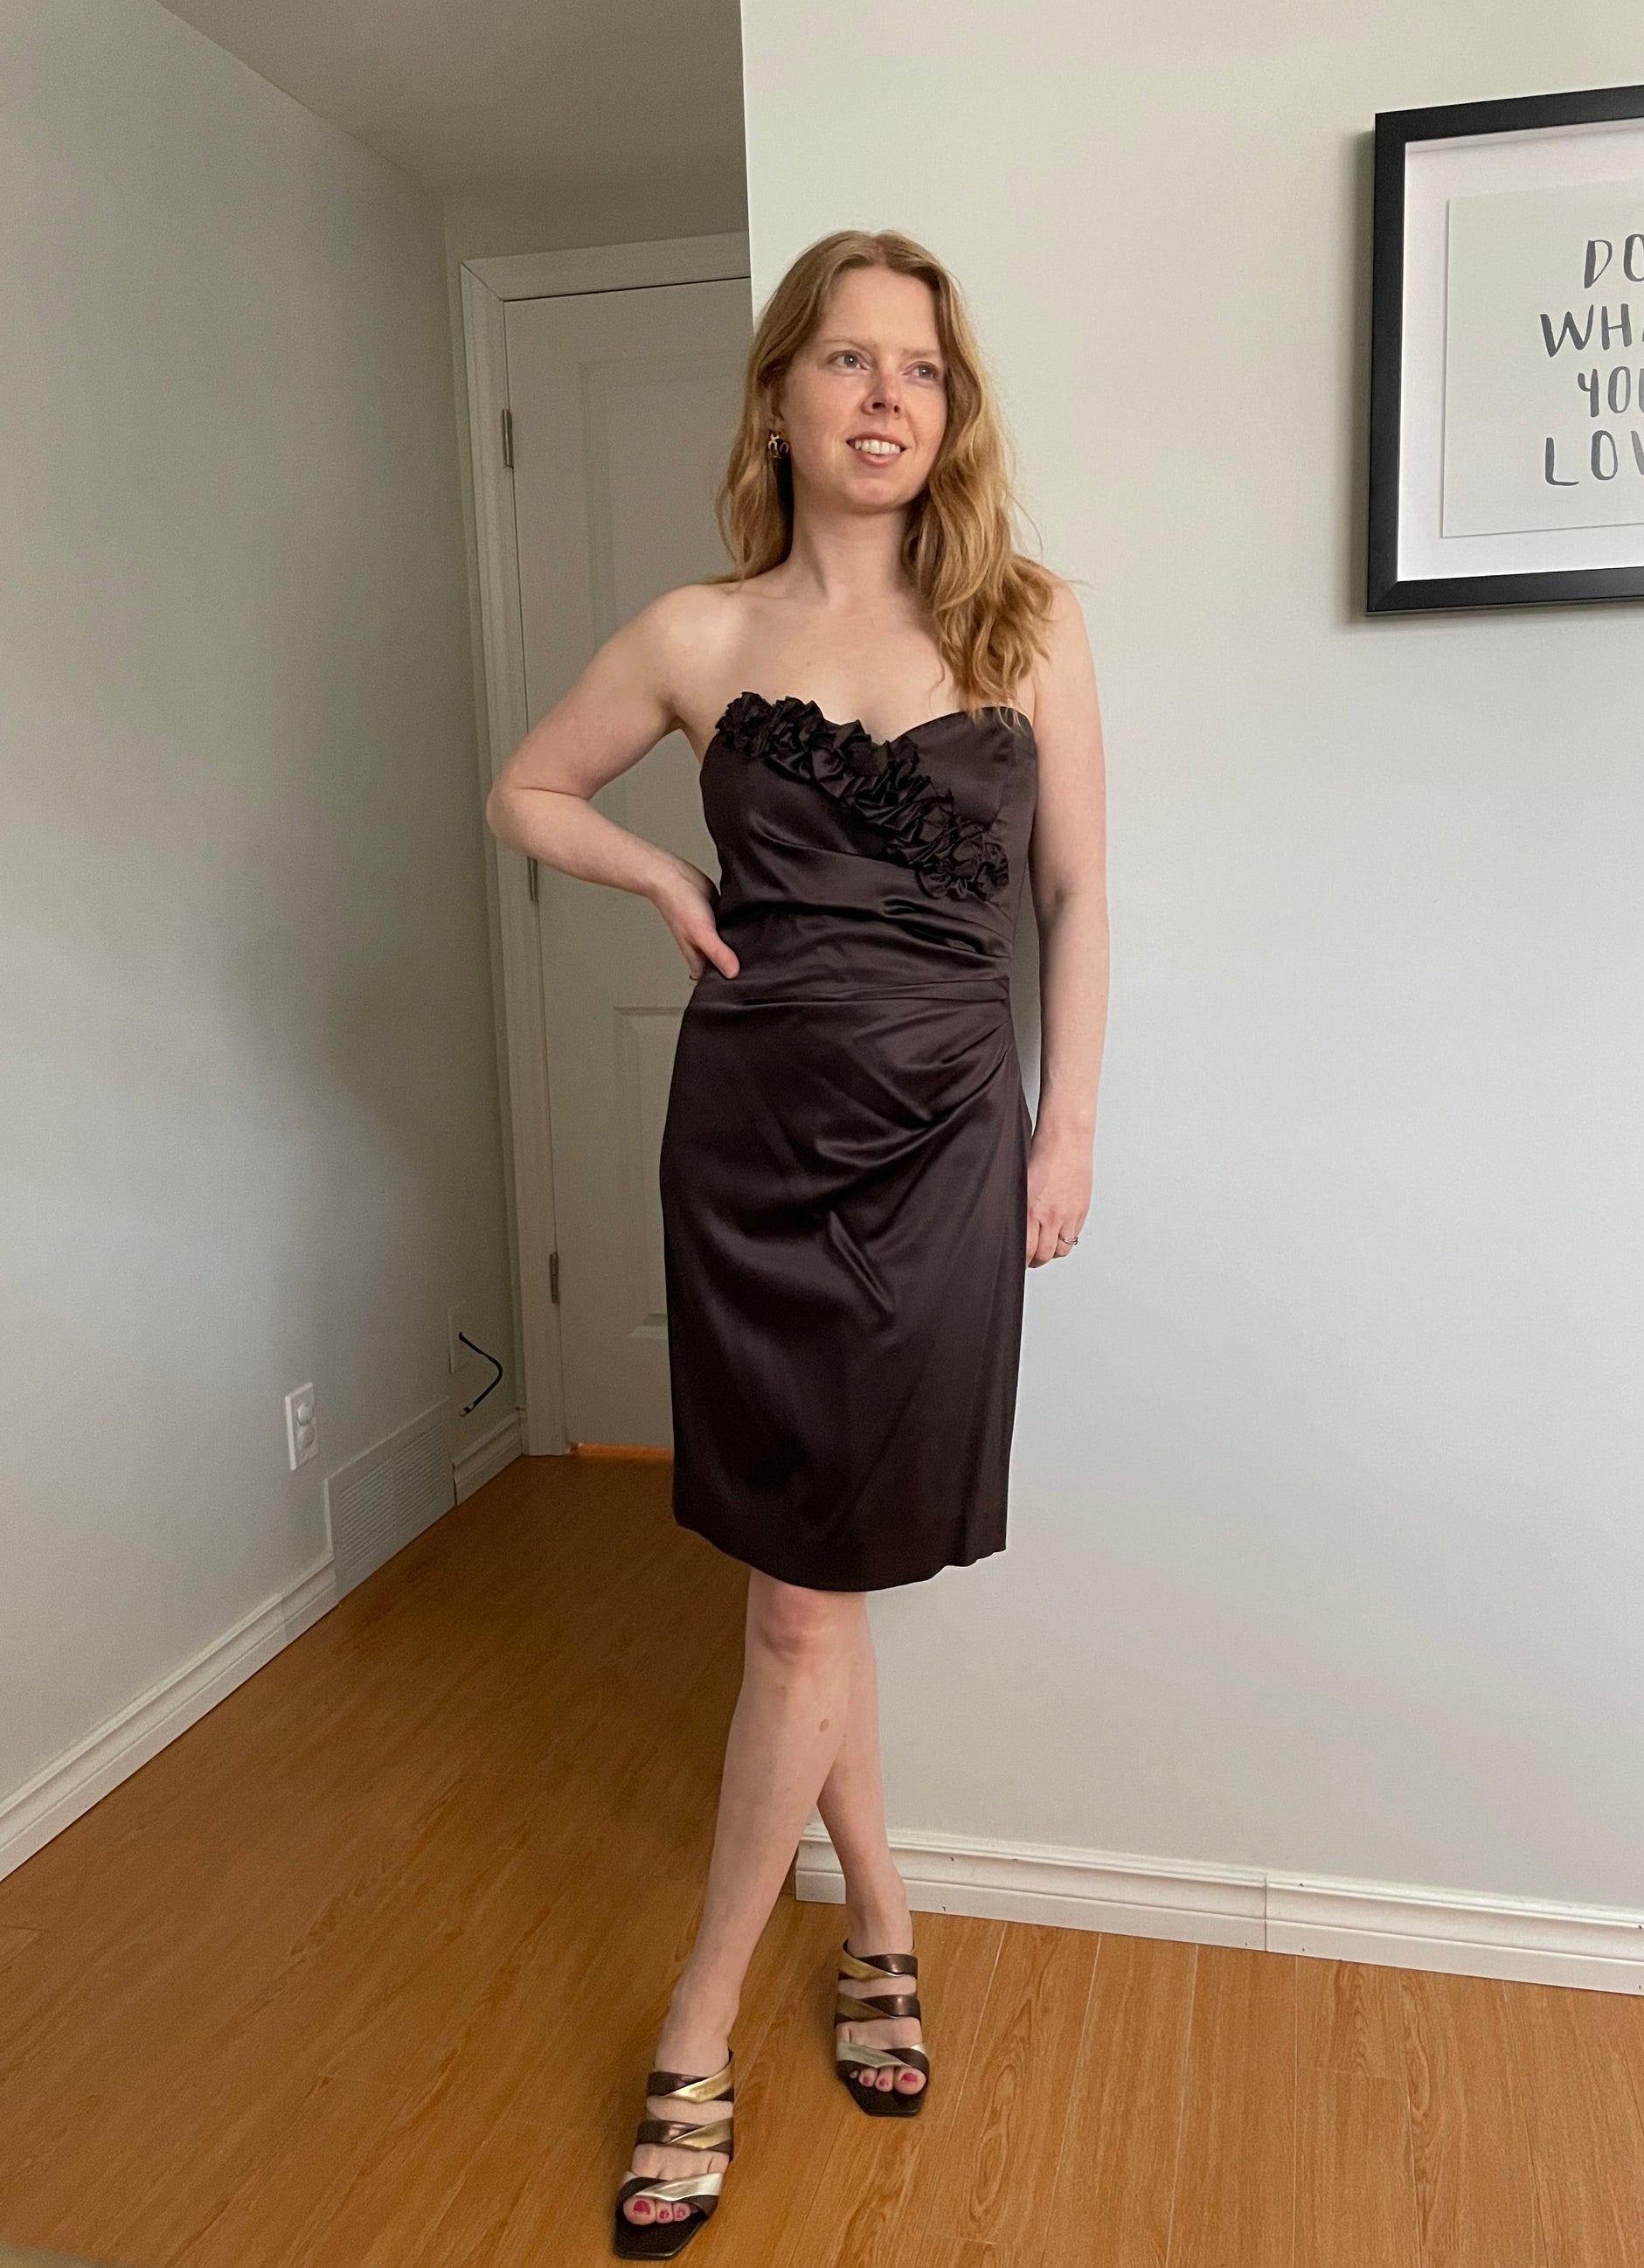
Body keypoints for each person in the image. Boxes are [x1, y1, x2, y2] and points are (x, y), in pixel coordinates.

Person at [485, 225, 1107, 2260]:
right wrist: (662, 880)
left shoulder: (1026, 621)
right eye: (843, 360)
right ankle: (848, 1944)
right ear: (778, 395)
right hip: (751, 1145)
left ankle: (735, 1994)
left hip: (948, 1148)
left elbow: (1077, 898)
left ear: (951, 409)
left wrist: (1067, 1123)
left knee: (805, 1603)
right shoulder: (694, 632)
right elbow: (523, 791)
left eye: (916, 368)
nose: (880, 397)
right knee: (801, 1604)